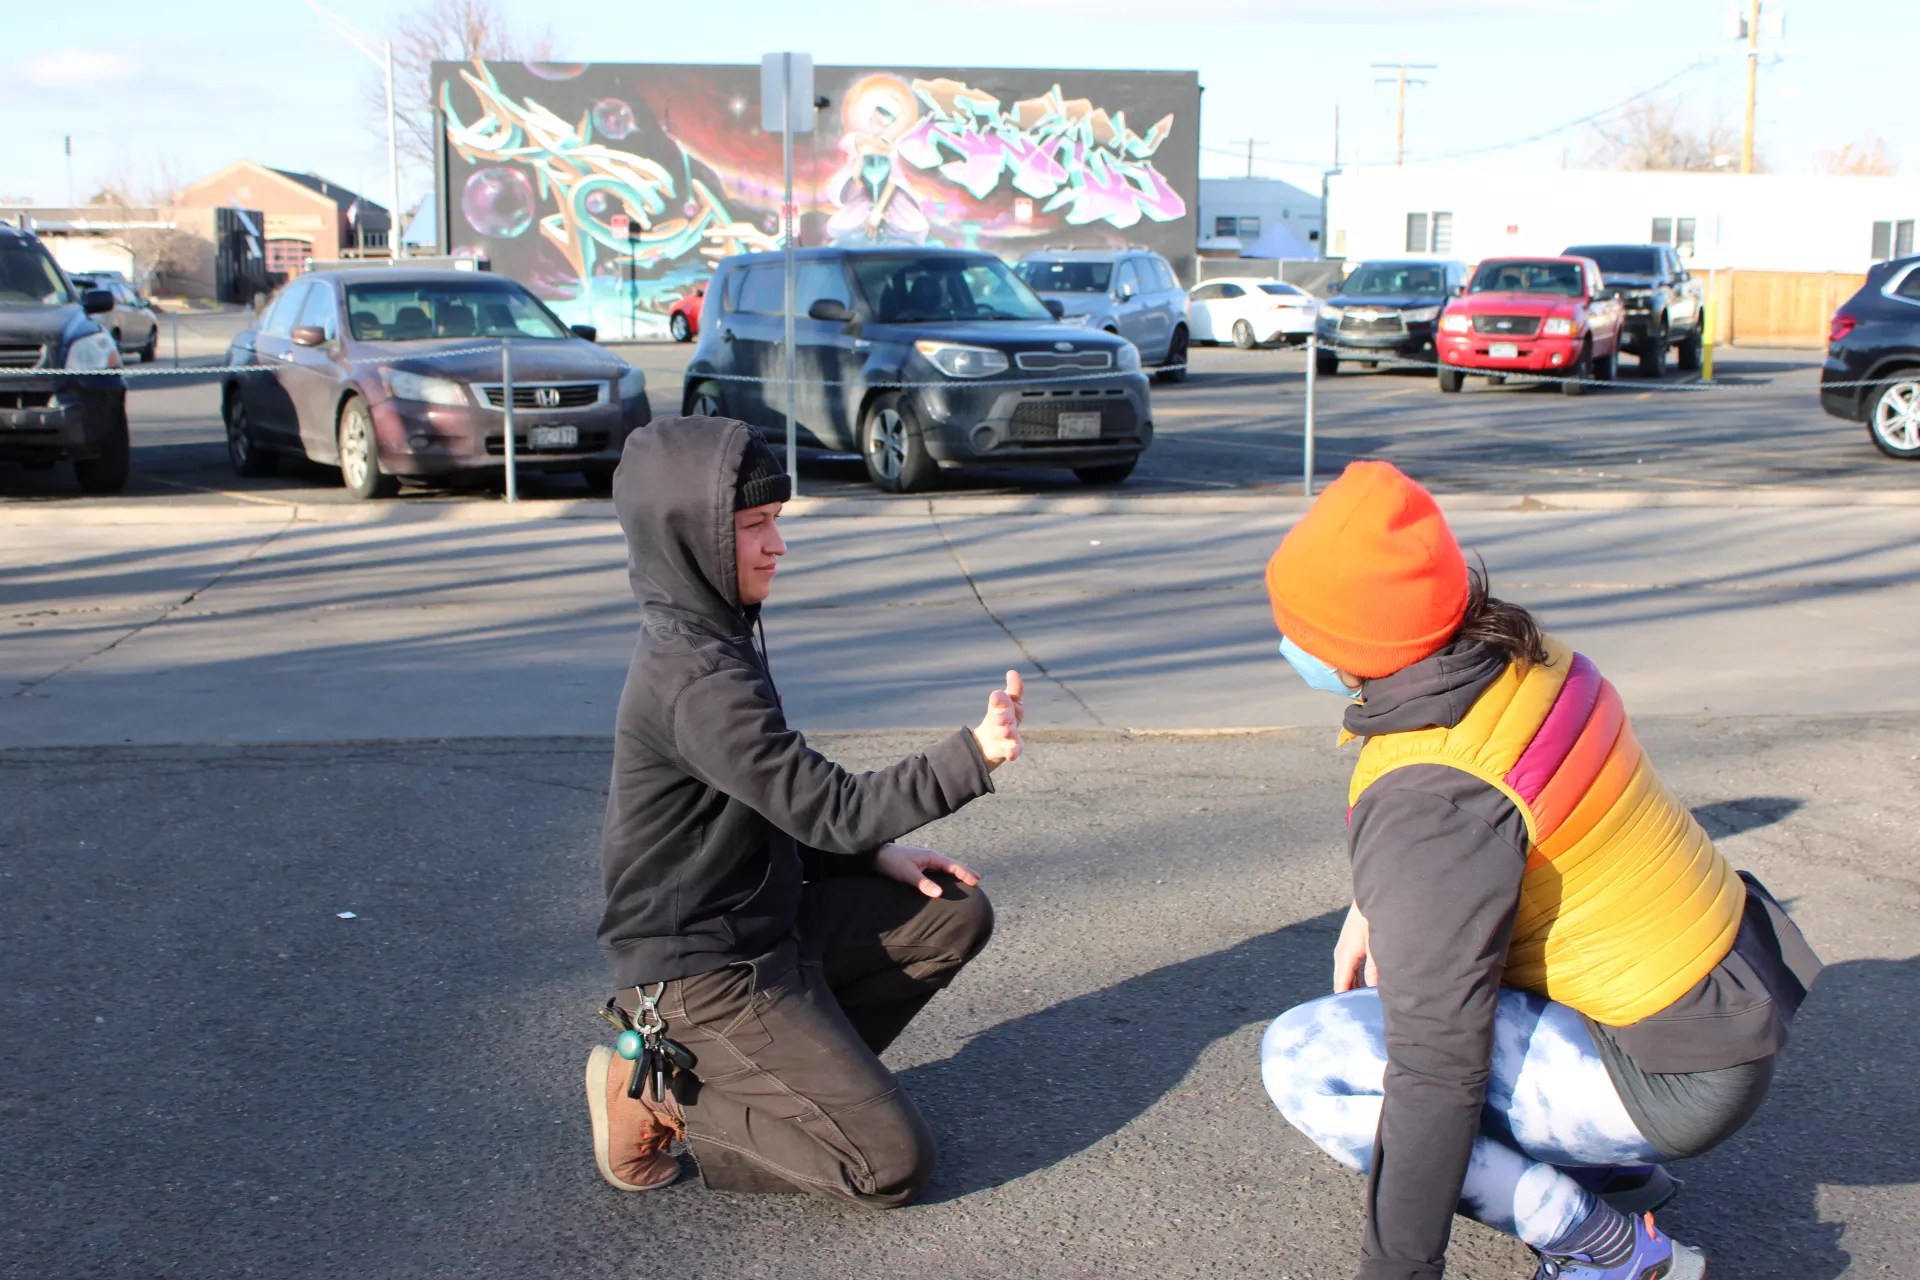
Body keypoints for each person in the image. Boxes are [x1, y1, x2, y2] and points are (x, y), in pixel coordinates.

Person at [1256, 461, 1822, 1280]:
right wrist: (1375, 901)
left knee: (1307, 1059)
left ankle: (1603, 1246)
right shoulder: (1526, 657)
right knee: (1421, 973)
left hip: (1668, 1075)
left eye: (1299, 629)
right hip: (1726, 994)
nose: (1288, 644)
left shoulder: (1430, 795)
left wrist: (1398, 1268)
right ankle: (1610, 1171)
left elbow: (1435, 1068)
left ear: (1352, 646)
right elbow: (1516, 821)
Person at [586, 415, 1024, 1205]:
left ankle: (807, 1087)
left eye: (775, 523)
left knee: (951, 914)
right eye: (752, 527)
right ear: (692, 536)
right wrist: (975, 754)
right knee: (888, 1168)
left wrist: (870, 858)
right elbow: (832, 808)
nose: (775, 545)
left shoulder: (713, 637)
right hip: (702, 975)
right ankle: (661, 1091)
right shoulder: (696, 678)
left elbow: (779, 807)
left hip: (770, 930)